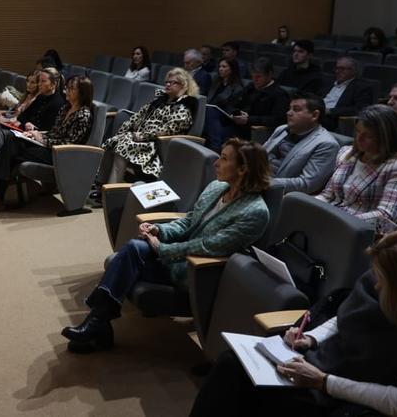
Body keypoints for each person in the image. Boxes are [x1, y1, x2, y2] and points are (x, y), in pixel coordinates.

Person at [190, 230, 397, 417]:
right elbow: (346, 316)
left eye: (383, 280)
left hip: (346, 397)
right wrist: (311, 338)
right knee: (231, 365)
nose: (376, 283)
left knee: (246, 395)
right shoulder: (378, 285)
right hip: (319, 368)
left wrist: (324, 382)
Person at [62, 139, 271, 353]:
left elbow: (210, 246)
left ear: (244, 169)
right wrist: (159, 230)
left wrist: (162, 248)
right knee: (133, 248)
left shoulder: (255, 212)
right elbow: (188, 221)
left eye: (224, 159)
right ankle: (98, 323)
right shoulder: (217, 187)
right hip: (177, 253)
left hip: (197, 271)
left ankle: (97, 324)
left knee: (128, 255)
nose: (216, 163)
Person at [0, 76, 94, 215]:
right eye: (67, 87)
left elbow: (70, 143)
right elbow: (54, 133)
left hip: (61, 156)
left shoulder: (83, 115)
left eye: (71, 89)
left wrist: (43, 140)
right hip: (48, 148)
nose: (66, 91)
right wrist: (37, 134)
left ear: (82, 93)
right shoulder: (65, 109)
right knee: (11, 142)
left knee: (11, 151)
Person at [0, 67, 66, 196]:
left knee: (8, 142)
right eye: (39, 81)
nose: (39, 84)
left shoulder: (58, 102)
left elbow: (49, 128)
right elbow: (23, 117)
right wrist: (27, 123)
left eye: (43, 81)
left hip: (38, 140)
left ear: (53, 84)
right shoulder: (41, 97)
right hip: (26, 133)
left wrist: (33, 128)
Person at [317, 104, 397, 230]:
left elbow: (385, 215)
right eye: (358, 131)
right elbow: (327, 195)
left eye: (368, 135)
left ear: (386, 137)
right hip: (327, 218)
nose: (359, 138)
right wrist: (310, 207)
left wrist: (336, 220)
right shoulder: (346, 153)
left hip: (357, 230)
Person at [97, 68, 197, 183]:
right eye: (167, 82)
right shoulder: (159, 100)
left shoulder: (184, 107)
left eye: (173, 82)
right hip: (138, 138)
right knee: (112, 141)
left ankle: (110, 191)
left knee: (122, 147)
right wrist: (124, 131)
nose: (168, 84)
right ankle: (101, 184)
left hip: (155, 144)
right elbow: (137, 116)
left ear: (183, 85)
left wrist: (143, 136)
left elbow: (169, 130)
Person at [262, 94, 340, 195]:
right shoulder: (281, 129)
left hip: (279, 193)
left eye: (296, 109)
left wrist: (264, 183)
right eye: (289, 108)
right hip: (260, 178)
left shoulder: (326, 144)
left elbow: (306, 184)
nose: (289, 113)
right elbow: (261, 153)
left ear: (315, 115)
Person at [231, 57, 290, 139]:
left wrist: (249, 119)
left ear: (269, 74)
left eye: (258, 76)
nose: (254, 80)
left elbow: (277, 119)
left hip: (254, 131)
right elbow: (234, 101)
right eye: (252, 76)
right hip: (238, 125)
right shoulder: (251, 87)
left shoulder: (280, 95)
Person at [316, 57, 376, 131]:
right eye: (337, 68)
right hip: (317, 112)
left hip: (333, 119)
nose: (337, 71)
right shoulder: (329, 82)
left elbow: (359, 109)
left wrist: (329, 111)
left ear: (354, 71)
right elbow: (317, 97)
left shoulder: (363, 87)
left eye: (342, 69)